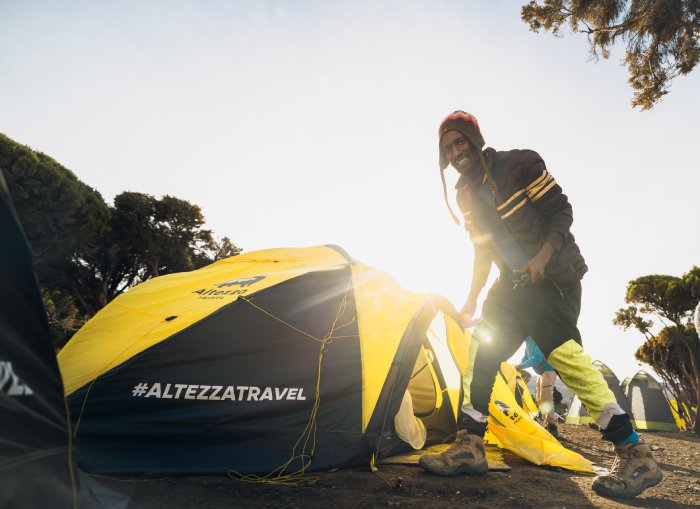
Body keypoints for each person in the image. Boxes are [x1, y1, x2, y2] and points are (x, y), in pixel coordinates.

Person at [419, 111, 662, 499]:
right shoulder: (465, 195)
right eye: (448, 148)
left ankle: (636, 456)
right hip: (510, 286)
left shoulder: (520, 163)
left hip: (552, 278)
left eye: (460, 141)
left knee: (567, 360)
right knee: (480, 352)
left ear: (475, 140)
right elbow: (482, 250)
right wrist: (470, 299)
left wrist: (542, 258)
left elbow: (561, 212)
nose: (455, 151)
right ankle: (470, 446)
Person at [517, 336, 559, 437]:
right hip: (541, 372)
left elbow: (537, 358)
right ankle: (547, 422)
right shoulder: (527, 342)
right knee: (539, 398)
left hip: (549, 370)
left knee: (546, 397)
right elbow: (526, 357)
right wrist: (518, 365)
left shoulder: (536, 339)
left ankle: (552, 425)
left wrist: (521, 366)